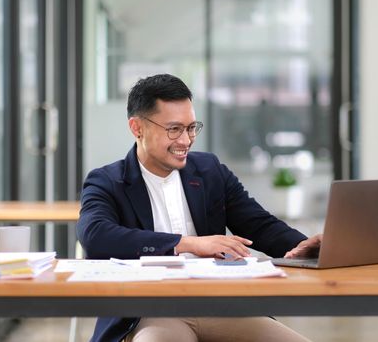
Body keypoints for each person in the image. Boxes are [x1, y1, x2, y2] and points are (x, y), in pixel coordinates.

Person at [77, 74, 321, 342]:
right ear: (137, 128)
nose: (186, 140)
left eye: (191, 127)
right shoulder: (107, 181)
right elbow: (96, 236)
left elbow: (260, 225)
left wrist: (306, 247)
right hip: (151, 311)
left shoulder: (209, 171)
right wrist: (187, 244)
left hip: (219, 304)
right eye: (174, 129)